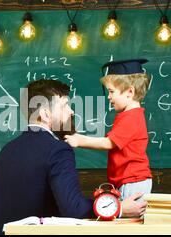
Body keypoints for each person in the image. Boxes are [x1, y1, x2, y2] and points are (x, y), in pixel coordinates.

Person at [0, 79, 147, 235]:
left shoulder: (5, 152)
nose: (71, 111)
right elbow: (74, 209)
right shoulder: (57, 150)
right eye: (65, 105)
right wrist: (118, 208)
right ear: (46, 114)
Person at [65, 59, 153, 202]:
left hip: (133, 181)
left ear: (130, 92)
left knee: (128, 220)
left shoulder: (132, 117)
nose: (109, 97)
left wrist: (79, 140)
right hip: (128, 180)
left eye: (111, 91)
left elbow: (109, 143)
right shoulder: (129, 115)